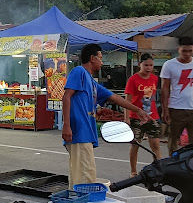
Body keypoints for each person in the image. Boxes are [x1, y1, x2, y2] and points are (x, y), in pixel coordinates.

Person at [62, 43, 150, 188]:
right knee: (85, 176)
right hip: (79, 131)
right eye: (100, 58)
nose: (102, 62)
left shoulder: (92, 82)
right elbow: (66, 96)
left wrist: (138, 110)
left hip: (86, 133)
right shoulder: (79, 72)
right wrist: (66, 125)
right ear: (92, 58)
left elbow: (114, 98)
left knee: (82, 174)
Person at [160, 36, 193, 155]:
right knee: (173, 141)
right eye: (184, 51)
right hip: (175, 109)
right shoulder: (169, 65)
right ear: (178, 49)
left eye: (190, 51)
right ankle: (173, 164)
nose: (187, 54)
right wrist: (165, 110)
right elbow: (164, 89)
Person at [125, 54, 163, 177]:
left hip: (152, 117)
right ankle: (133, 171)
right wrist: (126, 118)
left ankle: (159, 169)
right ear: (139, 65)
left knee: (155, 145)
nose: (148, 67)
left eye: (151, 65)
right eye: (145, 65)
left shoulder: (155, 79)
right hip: (136, 117)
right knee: (135, 144)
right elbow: (127, 100)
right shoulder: (133, 79)